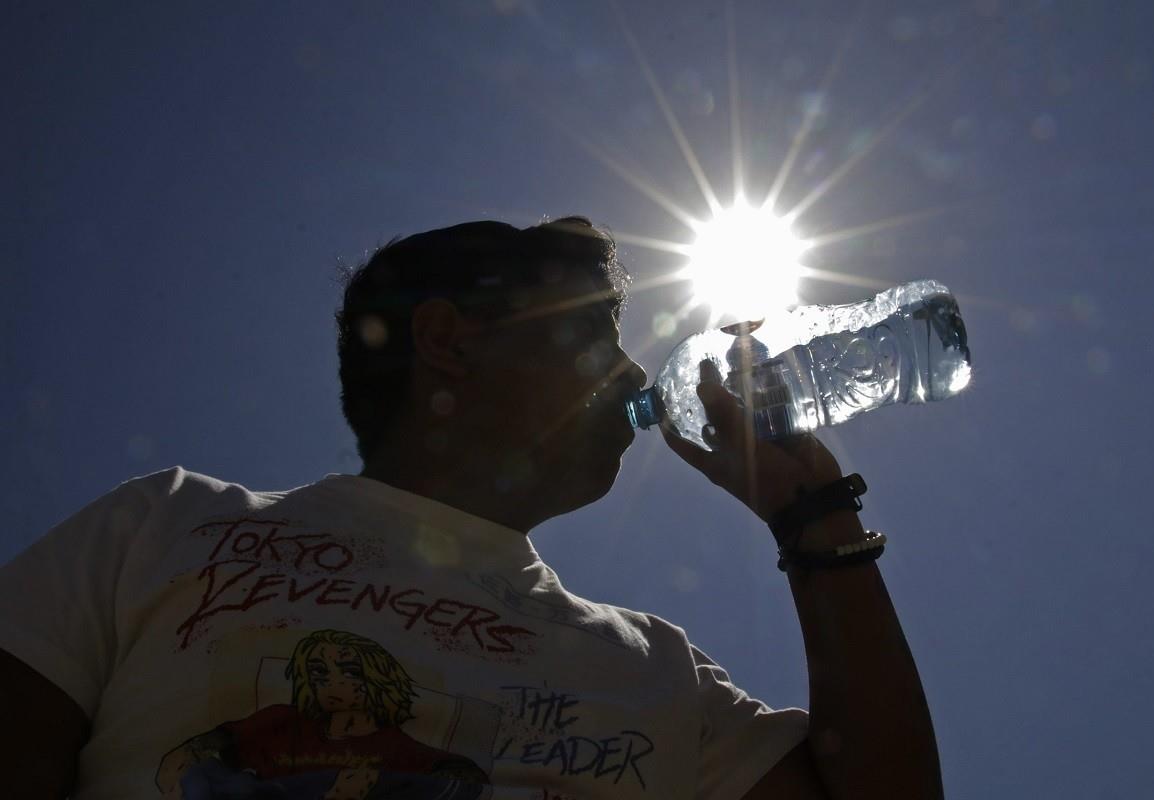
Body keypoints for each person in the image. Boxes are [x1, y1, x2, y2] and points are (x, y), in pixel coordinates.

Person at [0, 217, 942, 799]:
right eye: (591, 334)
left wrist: (813, 512)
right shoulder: (162, 527)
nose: (626, 372)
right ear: (448, 340)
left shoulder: (659, 671)